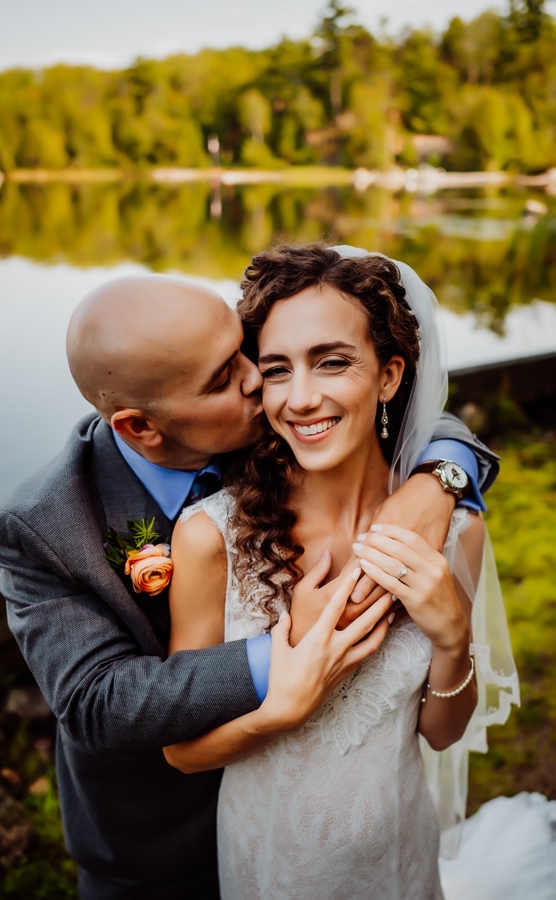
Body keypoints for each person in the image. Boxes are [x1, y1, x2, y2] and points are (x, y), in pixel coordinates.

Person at [0, 270, 499, 899]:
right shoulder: (44, 527)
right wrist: (286, 651)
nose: (260, 380)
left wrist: (440, 479)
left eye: (246, 352)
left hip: (381, 840)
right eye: (228, 376)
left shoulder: (273, 423)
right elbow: (99, 700)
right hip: (159, 839)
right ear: (142, 428)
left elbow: (389, 406)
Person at [164, 245, 519, 899]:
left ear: (388, 376)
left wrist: (451, 637)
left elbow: (440, 735)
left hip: (394, 857)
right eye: (276, 370)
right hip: (264, 858)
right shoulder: (209, 535)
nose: (300, 398)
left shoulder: (453, 529)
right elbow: (181, 751)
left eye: (331, 362)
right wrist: (282, 708)